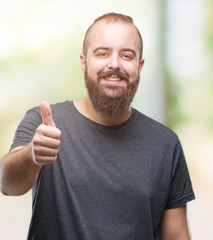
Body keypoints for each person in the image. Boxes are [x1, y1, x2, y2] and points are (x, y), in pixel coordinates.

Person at [0, 12, 195, 240]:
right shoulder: (43, 124)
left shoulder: (165, 144)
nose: (114, 64)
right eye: (102, 53)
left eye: (126, 55)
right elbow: (7, 183)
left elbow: (176, 235)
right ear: (84, 62)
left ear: (139, 65)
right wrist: (32, 154)